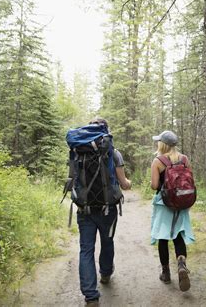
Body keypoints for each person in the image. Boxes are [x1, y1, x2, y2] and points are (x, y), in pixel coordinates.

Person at [77, 118, 132, 306]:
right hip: (108, 209)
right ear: (106, 130)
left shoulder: (78, 150)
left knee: (86, 249)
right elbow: (124, 184)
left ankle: (91, 296)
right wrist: (128, 184)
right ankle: (106, 273)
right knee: (107, 242)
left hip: (84, 209)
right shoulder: (113, 152)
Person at [150, 130, 195, 292]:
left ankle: (166, 273)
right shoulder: (184, 159)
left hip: (164, 204)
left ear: (162, 144)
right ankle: (182, 265)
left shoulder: (158, 161)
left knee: (163, 237)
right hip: (181, 203)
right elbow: (190, 182)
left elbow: (155, 186)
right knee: (178, 236)